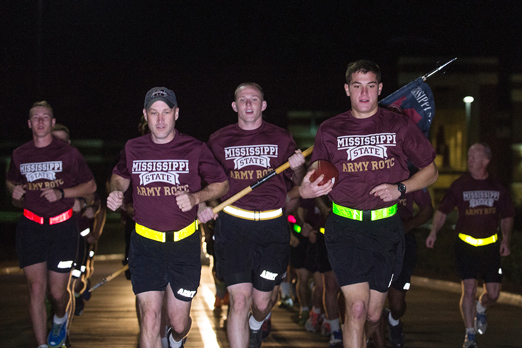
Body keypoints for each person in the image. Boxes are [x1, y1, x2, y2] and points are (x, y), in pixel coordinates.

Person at [299, 60, 438, 348]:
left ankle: (360, 338)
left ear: (380, 89)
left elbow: (431, 171)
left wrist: (401, 188)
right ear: (347, 89)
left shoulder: (399, 125)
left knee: (373, 313)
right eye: (358, 86)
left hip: (387, 229)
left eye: (371, 86)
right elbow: (315, 174)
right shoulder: (330, 129)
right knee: (358, 308)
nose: (364, 93)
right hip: (345, 227)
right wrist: (306, 187)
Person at [106, 87, 228, 348]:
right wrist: (116, 192)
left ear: (176, 113)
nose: (160, 120)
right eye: (154, 113)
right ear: (145, 115)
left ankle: (175, 339)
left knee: (179, 321)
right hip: (146, 244)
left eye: (165, 112)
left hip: (183, 246)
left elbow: (222, 184)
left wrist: (196, 198)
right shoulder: (133, 147)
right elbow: (119, 177)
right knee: (150, 317)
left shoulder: (194, 148)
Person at [200, 82, 306, 348]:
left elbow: (299, 183)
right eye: (243, 100)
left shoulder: (282, 137)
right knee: (239, 299)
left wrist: (298, 168)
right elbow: (202, 179)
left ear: (263, 105)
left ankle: (256, 324)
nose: (249, 105)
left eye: (254, 99)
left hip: (272, 227)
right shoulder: (218, 139)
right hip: (234, 225)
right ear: (235, 106)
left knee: (262, 302)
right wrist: (202, 203)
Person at [6, 101, 97, 348]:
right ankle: (42, 345)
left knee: (57, 293)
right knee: (36, 289)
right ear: (29, 123)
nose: (41, 121)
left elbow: (91, 187)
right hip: (31, 227)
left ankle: (60, 317)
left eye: (45, 117)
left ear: (52, 122)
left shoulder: (68, 153)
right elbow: (12, 186)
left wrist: (63, 193)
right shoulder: (20, 154)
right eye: (36, 117)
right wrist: (15, 194)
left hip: (62, 227)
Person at [426, 142, 514, 348]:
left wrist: (506, 240)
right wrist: (433, 232)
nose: (469, 161)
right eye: (468, 157)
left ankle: (481, 309)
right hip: (465, 245)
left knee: (493, 294)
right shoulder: (459, 185)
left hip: (490, 247)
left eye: (474, 157)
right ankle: (470, 334)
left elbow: (508, 215)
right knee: (469, 288)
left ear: (486, 161)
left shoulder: (497, 187)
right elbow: (443, 211)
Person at [52, 124, 106, 316]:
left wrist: (86, 207)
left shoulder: (77, 167)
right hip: (48, 235)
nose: (58, 145)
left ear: (69, 143)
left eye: (63, 141)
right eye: (54, 139)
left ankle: (64, 325)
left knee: (73, 285)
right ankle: (56, 321)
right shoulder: (41, 168)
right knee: (49, 290)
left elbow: (96, 200)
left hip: (76, 235)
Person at [371, 187, 433, 348]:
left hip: (403, 243)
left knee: (397, 305)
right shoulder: (372, 170)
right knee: (374, 302)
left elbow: (427, 210)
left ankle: (394, 319)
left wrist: (408, 226)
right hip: (374, 241)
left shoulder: (410, 176)